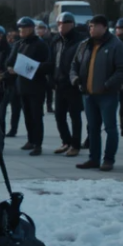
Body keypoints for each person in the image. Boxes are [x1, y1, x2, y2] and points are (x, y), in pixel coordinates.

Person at [70, 15, 123, 172]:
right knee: (92, 128)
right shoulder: (84, 45)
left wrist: (107, 84)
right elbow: (74, 65)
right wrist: (75, 79)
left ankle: (108, 159)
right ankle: (93, 159)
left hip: (107, 95)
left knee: (110, 128)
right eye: (90, 26)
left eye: (94, 26)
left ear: (104, 27)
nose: (91, 29)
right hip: (88, 95)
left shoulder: (116, 45)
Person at [11, 17, 50, 155]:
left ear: (31, 29)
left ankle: (38, 144)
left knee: (36, 116)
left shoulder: (40, 45)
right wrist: (11, 67)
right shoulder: (19, 44)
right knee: (27, 115)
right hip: (22, 86)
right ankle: (30, 140)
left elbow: (48, 65)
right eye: (20, 28)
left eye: (24, 28)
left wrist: (32, 67)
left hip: (36, 86)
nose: (21, 31)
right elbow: (10, 61)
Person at [49, 14, 86, 156]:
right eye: (58, 23)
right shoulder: (56, 41)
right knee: (59, 115)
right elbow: (52, 61)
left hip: (72, 84)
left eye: (64, 23)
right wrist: (51, 78)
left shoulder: (79, 41)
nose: (61, 26)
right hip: (59, 83)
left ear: (72, 24)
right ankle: (66, 141)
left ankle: (75, 145)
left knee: (75, 115)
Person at [0, 29, 22, 137]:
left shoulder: (18, 46)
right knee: (3, 108)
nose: (10, 38)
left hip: (16, 81)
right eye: (9, 35)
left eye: (13, 36)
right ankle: (3, 129)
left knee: (15, 108)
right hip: (6, 81)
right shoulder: (5, 48)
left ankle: (13, 129)